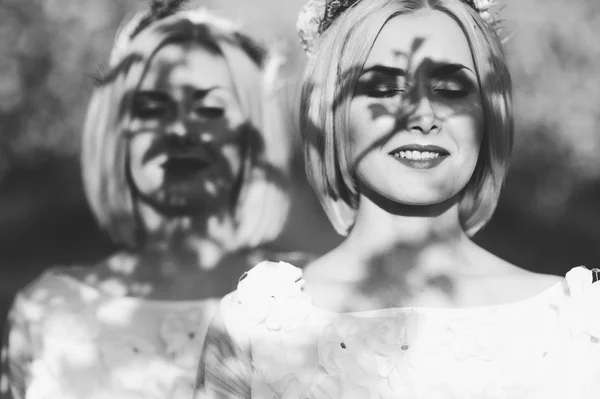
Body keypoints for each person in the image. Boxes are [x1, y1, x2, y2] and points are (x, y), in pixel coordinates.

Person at [196, 0, 600, 397]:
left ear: (489, 114)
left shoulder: (580, 322)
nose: (422, 115)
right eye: (385, 88)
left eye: (450, 90)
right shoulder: (256, 324)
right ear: (331, 113)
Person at [0, 4, 298, 399]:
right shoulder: (46, 309)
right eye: (151, 109)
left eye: (209, 109)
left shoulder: (310, 299)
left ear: (254, 137)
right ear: (116, 134)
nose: (178, 130)